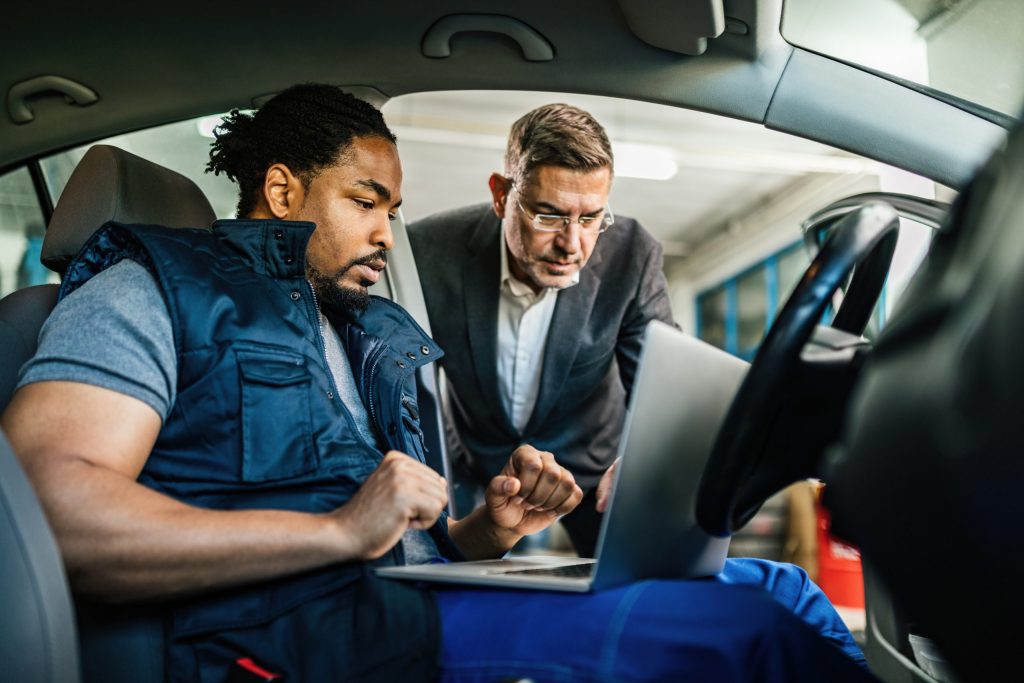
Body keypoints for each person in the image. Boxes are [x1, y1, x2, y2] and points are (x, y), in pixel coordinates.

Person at [1, 84, 871, 682]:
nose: (389, 232)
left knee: (783, 589)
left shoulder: (362, 328)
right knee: (750, 637)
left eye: (394, 209)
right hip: (299, 636)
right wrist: (341, 531)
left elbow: (402, 542)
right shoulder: (148, 289)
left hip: (406, 597)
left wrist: (482, 530)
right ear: (280, 188)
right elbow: (52, 514)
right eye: (366, 201)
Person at [407, 103, 673, 556]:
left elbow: (664, 380)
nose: (572, 244)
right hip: (482, 468)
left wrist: (647, 455)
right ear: (500, 195)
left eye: (590, 218)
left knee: (631, 586)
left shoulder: (632, 254)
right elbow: (407, 382)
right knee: (462, 589)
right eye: (548, 216)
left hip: (595, 472)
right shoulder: (429, 252)